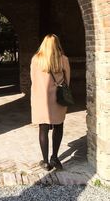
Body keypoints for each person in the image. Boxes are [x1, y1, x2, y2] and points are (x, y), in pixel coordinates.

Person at [30, 34, 70, 171]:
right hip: (58, 99)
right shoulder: (63, 59)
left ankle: (46, 162)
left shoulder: (36, 60)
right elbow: (67, 81)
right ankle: (55, 157)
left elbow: (33, 79)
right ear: (57, 44)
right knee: (59, 126)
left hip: (41, 99)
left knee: (43, 129)